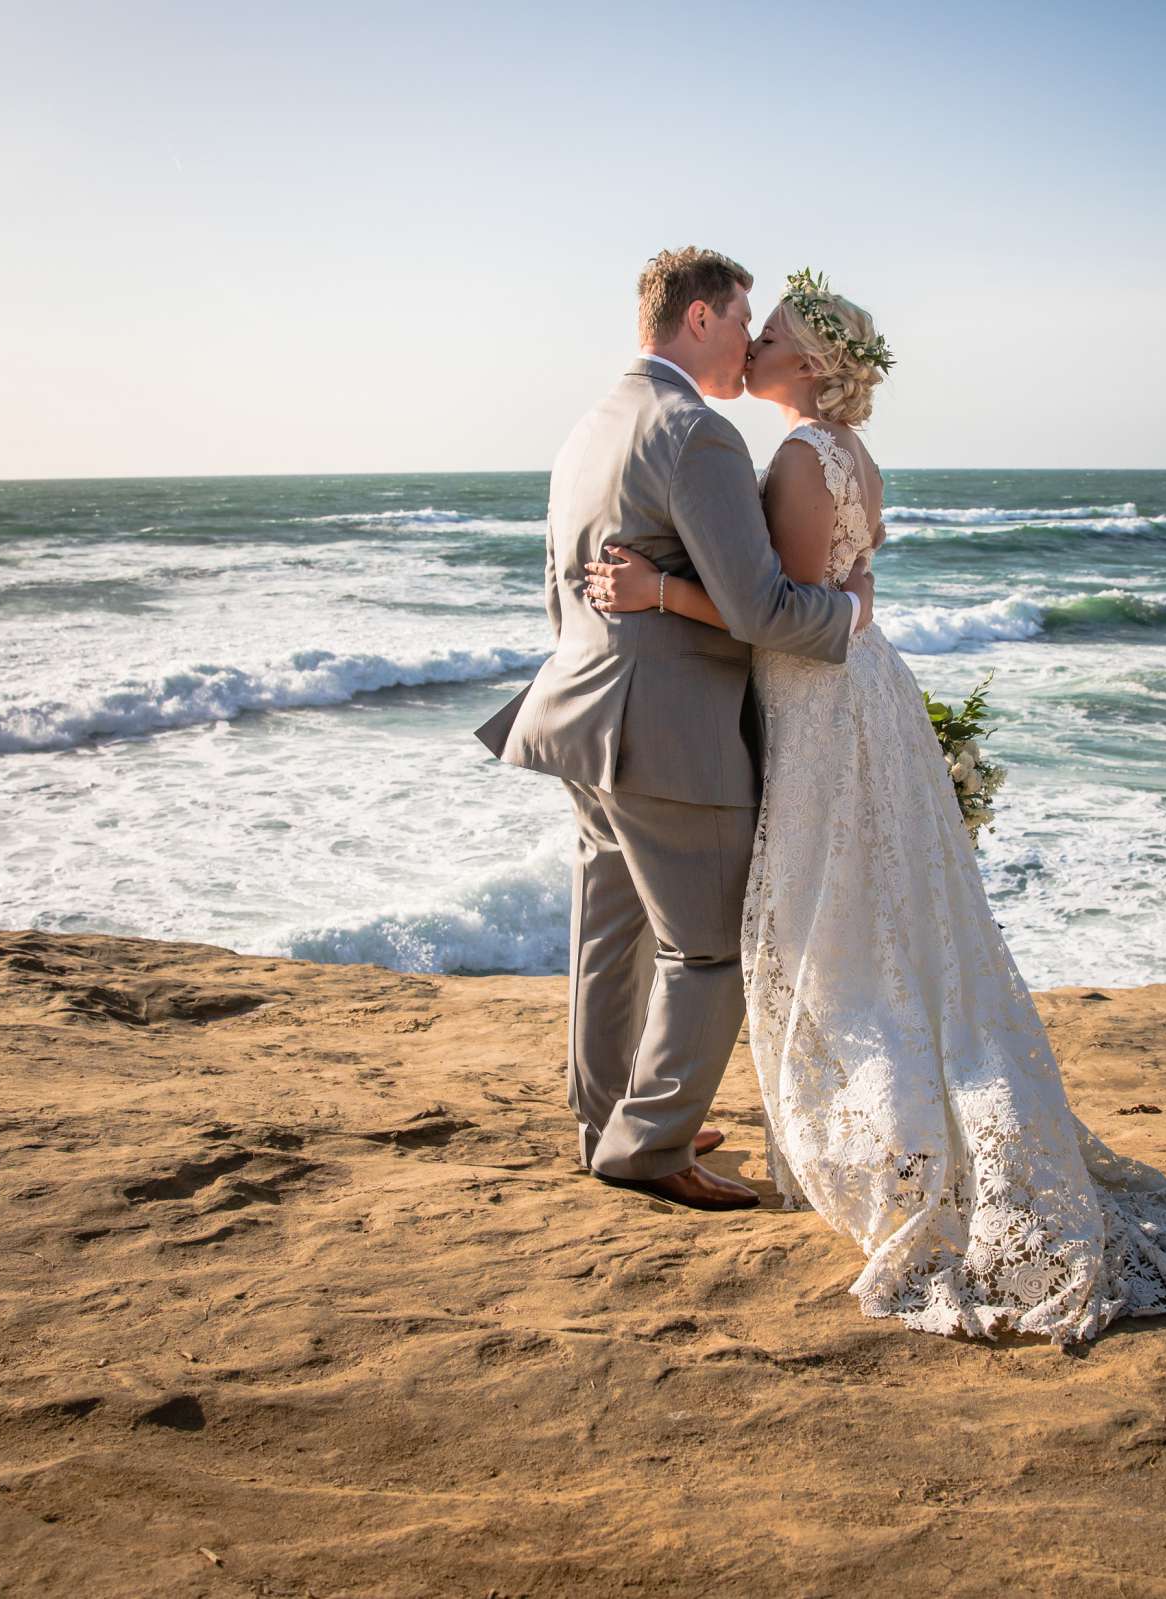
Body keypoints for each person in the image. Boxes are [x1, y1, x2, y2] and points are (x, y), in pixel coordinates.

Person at [581, 270, 1166, 1342]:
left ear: (809, 363)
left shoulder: (798, 455)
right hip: (858, 686)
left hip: (817, 699)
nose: (753, 345)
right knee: (881, 914)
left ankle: (894, 1139)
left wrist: (660, 594)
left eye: (773, 333)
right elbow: (842, 594)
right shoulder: (851, 455)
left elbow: (780, 616)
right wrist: (841, 605)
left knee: (835, 916)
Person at [474, 247, 875, 1211]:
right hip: (667, 734)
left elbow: (559, 588)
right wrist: (854, 613)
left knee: (606, 936)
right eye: (743, 318)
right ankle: (650, 1148)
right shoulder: (696, 434)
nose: (749, 338)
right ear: (700, 318)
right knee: (708, 949)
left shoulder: (592, 425)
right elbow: (764, 606)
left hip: (578, 713)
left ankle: (604, 1120)